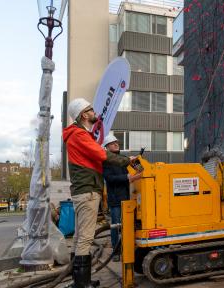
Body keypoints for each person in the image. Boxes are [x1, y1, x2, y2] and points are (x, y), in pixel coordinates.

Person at [63, 98, 134, 288]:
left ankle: (78, 281)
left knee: (79, 238)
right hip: (87, 192)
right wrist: (128, 161)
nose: (95, 112)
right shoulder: (79, 135)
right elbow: (102, 155)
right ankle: (81, 284)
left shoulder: (77, 135)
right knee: (85, 238)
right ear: (84, 115)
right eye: (91, 110)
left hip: (83, 192)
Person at [102, 135, 141, 262]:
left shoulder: (123, 159)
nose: (116, 144)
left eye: (116, 142)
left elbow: (136, 169)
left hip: (126, 197)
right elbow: (110, 179)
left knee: (127, 225)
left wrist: (138, 163)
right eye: (112, 143)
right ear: (107, 147)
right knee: (116, 226)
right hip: (115, 199)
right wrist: (127, 178)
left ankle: (127, 248)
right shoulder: (107, 161)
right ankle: (116, 251)